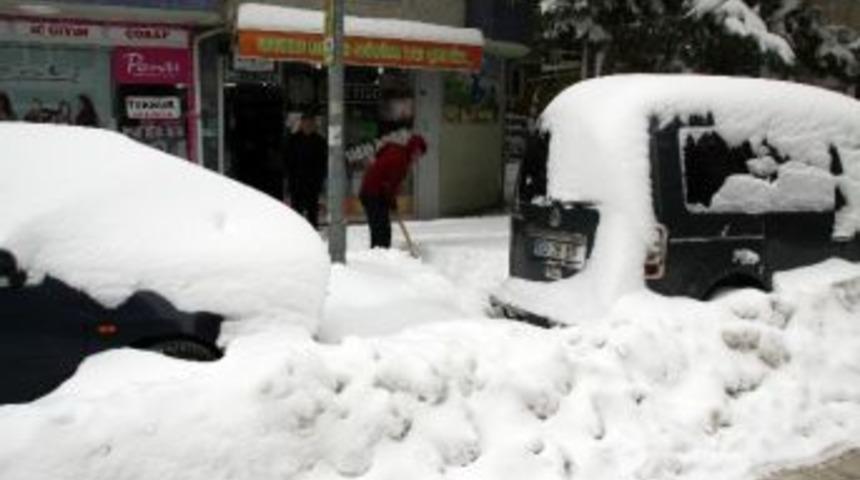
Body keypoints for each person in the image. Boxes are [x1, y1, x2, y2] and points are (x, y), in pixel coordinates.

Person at [359, 132, 427, 248]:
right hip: (373, 193)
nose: (418, 157)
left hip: (371, 191)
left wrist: (390, 200)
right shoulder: (401, 160)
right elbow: (389, 185)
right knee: (381, 230)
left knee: (380, 228)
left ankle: (379, 253)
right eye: (418, 153)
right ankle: (380, 256)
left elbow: (387, 180)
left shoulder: (396, 151)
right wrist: (392, 201)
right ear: (413, 149)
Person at [284, 112, 327, 229]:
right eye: (306, 123)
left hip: (313, 183)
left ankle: (312, 230)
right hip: (296, 182)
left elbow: (323, 163)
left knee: (312, 209)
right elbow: (287, 161)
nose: (308, 125)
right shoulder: (293, 140)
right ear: (301, 124)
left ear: (314, 125)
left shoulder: (320, 141)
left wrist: (320, 179)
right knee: (296, 209)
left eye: (311, 123)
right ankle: (297, 230)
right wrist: (290, 178)